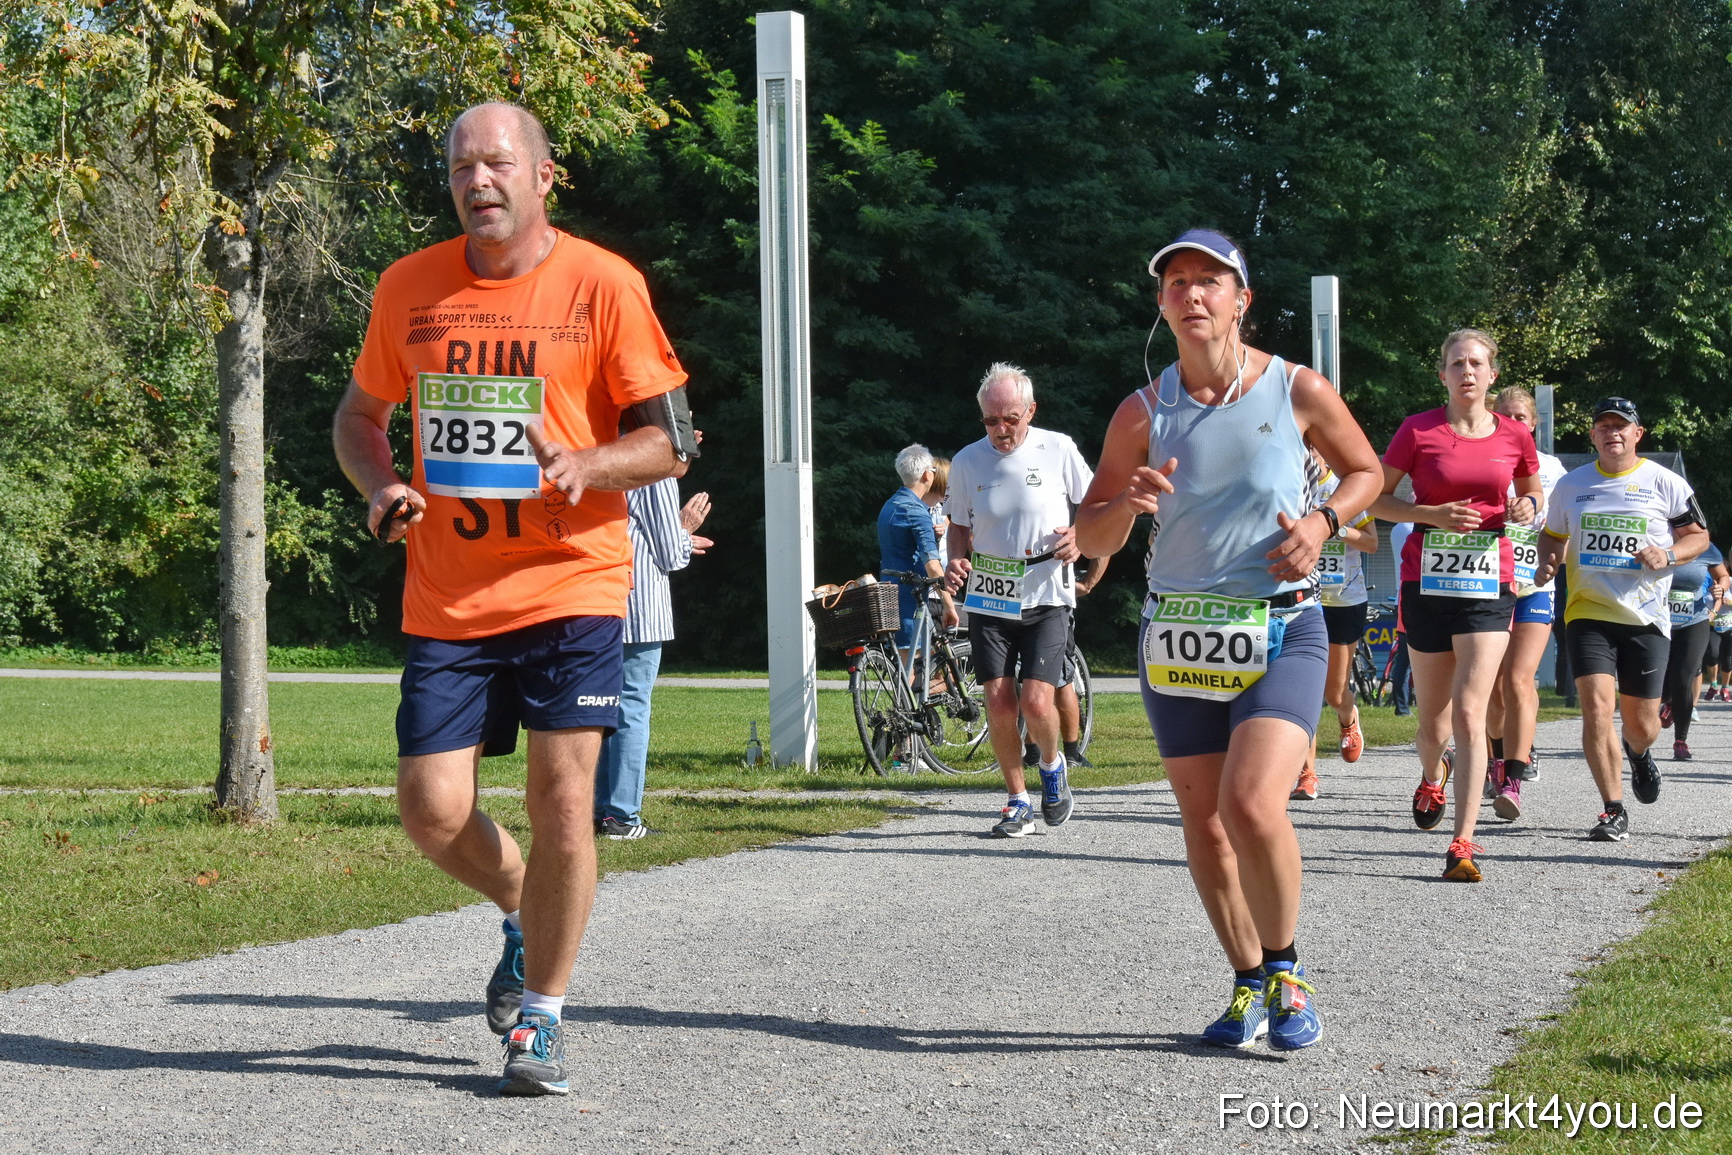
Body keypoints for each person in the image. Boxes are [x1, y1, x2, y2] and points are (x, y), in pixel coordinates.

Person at [331, 103, 697, 1096]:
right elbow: (361, 416)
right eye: (459, 165)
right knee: (429, 809)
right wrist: (382, 487)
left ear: (544, 175)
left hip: (572, 583)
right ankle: (519, 910)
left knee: (563, 804)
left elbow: (671, 441)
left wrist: (587, 462)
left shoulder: (602, 285)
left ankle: (541, 1019)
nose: (476, 179)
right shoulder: (409, 287)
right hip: (448, 594)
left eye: (497, 162)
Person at [1077, 228, 1380, 1051]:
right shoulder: (1142, 411)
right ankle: (1246, 979)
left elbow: (1367, 473)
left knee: (1250, 803)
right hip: (1179, 637)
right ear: (1163, 304)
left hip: (1283, 626)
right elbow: (1092, 539)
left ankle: (1287, 970)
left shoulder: (1295, 388)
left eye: (1209, 280)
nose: (1192, 293)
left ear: (1241, 298)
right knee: (1205, 823)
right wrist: (1123, 505)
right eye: (1176, 282)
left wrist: (1322, 523)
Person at [1368, 329, 1541, 882]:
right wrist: (1434, 516)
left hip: (1491, 583)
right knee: (1432, 723)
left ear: (1492, 374)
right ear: (1441, 374)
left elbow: (1534, 495)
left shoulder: (1515, 435)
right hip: (1427, 582)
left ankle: (1463, 843)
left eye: (1477, 363)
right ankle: (1431, 771)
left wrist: (1524, 507)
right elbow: (1377, 498)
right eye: (1456, 363)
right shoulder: (1418, 430)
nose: (1467, 372)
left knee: (1470, 712)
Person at [1535, 397, 1709, 842]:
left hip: (1646, 617)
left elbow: (1699, 538)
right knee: (1595, 708)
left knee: (1643, 725)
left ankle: (1638, 752)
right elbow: (1553, 535)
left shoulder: (1665, 482)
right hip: (1587, 612)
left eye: (1621, 426)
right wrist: (1549, 563)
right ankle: (1612, 808)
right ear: (1592, 435)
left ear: (1637, 434)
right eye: (1603, 426)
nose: (1612, 432)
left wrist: (1667, 553)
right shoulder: (1571, 486)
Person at [944, 364, 1093, 837]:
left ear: (1030, 410)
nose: (1001, 431)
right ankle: (1016, 799)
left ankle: (1052, 768)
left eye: (1010, 419)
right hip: (990, 591)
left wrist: (1082, 537)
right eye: (990, 421)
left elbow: (1094, 506)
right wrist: (954, 560)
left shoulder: (1058, 448)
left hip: (1047, 588)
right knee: (997, 699)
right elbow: (959, 528)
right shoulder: (968, 460)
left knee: (1034, 699)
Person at [594, 480, 712, 839]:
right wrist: (685, 529)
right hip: (639, 607)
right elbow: (671, 554)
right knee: (631, 708)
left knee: (602, 707)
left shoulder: (605, 451)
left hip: (600, 597)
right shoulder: (654, 471)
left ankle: (600, 810)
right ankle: (621, 816)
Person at [1481, 386, 1569, 820]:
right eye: (1506, 415)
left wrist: (1556, 558)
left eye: (1522, 416)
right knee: (1493, 692)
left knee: (1519, 680)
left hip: (1535, 584)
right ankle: (1496, 758)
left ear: (1533, 423)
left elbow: (1565, 525)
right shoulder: (1486, 456)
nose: (1515, 421)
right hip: (1491, 584)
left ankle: (1514, 777)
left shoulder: (1553, 469)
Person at [1292, 449, 1378, 801]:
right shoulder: (1288, 484)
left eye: (1313, 445)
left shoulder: (1346, 488)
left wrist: (1334, 528)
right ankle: (1306, 774)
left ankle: (1347, 715)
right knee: (1301, 692)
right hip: (1299, 598)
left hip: (1343, 599)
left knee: (1332, 692)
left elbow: (1371, 542)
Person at [879, 444, 960, 678]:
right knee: (909, 666)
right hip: (909, 598)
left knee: (908, 661)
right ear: (927, 474)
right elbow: (933, 566)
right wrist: (948, 603)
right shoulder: (916, 511)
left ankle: (909, 711)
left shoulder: (891, 505)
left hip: (890, 591)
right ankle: (905, 714)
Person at [1659, 540, 1725, 760]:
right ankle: (1668, 702)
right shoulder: (1656, 536)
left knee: (1683, 679)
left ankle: (1681, 740)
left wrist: (1720, 588)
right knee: (1663, 685)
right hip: (1658, 621)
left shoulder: (1704, 546)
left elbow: (1722, 575)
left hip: (1694, 621)